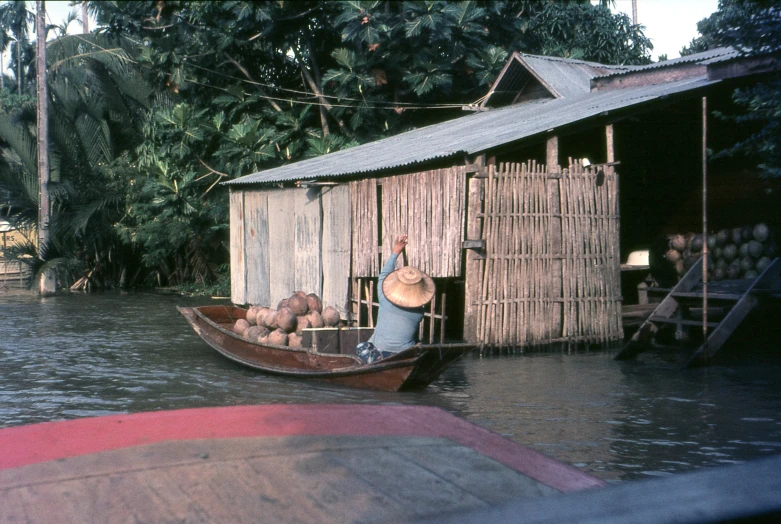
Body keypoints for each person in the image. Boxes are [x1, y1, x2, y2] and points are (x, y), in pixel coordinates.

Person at [355, 235, 435, 364]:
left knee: (360, 347)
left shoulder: (384, 299)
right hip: (405, 354)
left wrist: (396, 251)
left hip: (379, 354)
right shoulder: (419, 311)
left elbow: (383, 275)